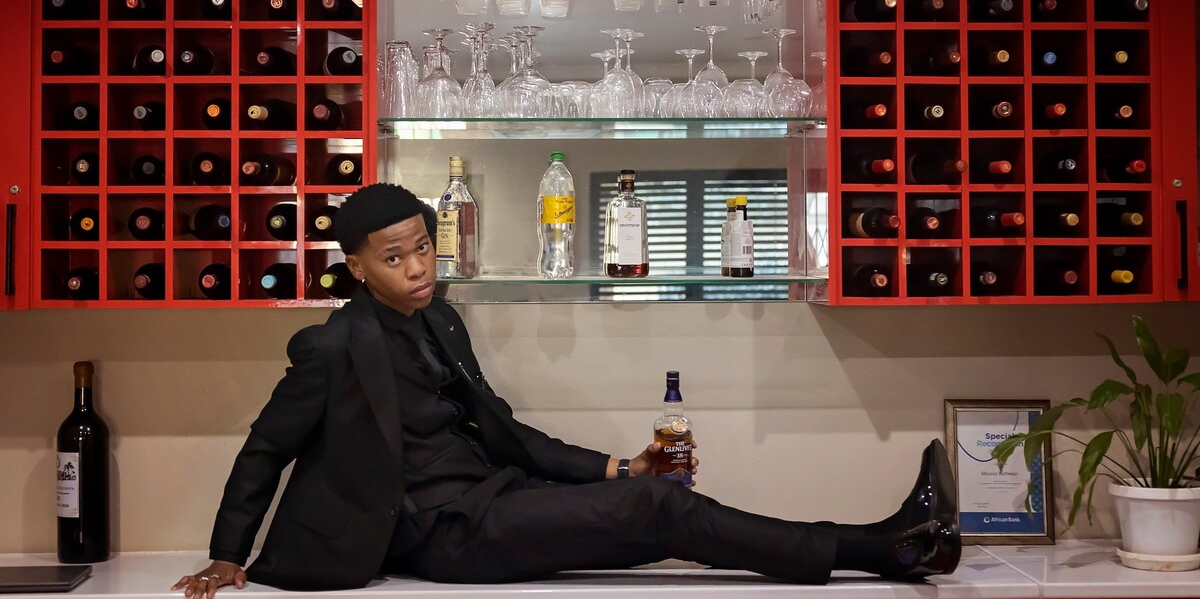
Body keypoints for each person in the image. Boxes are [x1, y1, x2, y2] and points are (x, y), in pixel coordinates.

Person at [172, 183, 960, 597]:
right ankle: (884, 548)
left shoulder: (441, 320)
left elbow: (504, 431)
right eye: (393, 258)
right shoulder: (332, 346)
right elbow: (265, 448)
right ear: (356, 268)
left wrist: (617, 467)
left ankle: (886, 545)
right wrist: (225, 554)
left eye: (422, 248)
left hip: (492, 495)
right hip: (439, 533)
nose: (416, 268)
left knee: (655, 506)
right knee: (660, 513)